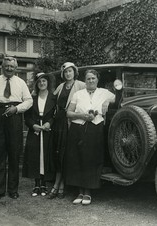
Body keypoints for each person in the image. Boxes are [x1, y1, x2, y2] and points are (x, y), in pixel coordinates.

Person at [0, 56, 33, 202]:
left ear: (16, 68)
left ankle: (13, 190)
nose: (9, 68)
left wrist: (16, 109)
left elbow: (29, 100)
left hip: (14, 118)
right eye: (7, 66)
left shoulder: (21, 82)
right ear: (2, 66)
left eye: (12, 66)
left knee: (14, 154)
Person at [65, 69, 115, 205]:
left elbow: (118, 98)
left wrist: (107, 103)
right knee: (78, 159)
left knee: (91, 159)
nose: (91, 81)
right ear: (85, 81)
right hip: (78, 129)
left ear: (97, 80)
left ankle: (88, 192)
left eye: (93, 78)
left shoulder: (104, 93)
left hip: (95, 129)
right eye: (88, 79)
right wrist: (81, 115)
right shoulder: (78, 94)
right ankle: (80, 192)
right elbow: (69, 113)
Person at [48, 62, 85, 199]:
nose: (68, 74)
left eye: (70, 71)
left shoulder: (81, 85)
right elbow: (51, 100)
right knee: (59, 153)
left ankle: (60, 185)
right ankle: (59, 184)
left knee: (66, 153)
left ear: (74, 72)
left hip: (72, 122)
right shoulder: (60, 86)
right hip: (59, 122)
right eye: (65, 72)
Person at [22, 72, 56, 197]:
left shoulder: (53, 97)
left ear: (48, 83)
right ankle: (36, 184)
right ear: (36, 84)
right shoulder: (32, 98)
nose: (42, 83)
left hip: (47, 130)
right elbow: (27, 116)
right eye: (39, 82)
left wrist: (49, 123)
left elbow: (54, 115)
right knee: (35, 156)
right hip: (35, 130)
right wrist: (32, 125)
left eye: (44, 81)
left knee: (46, 156)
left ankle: (44, 184)